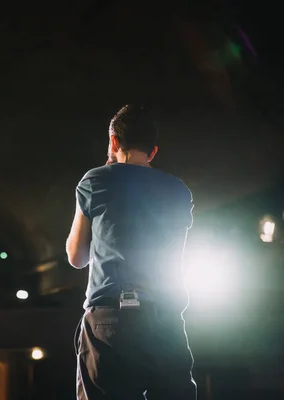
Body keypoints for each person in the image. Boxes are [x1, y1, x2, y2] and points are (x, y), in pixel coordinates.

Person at [66, 104, 196, 400]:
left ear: (113, 141)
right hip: (166, 320)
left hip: (110, 319)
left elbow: (76, 257)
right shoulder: (178, 190)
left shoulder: (96, 180)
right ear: (153, 151)